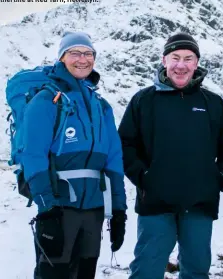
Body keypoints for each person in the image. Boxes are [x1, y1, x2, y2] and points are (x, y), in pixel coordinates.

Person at [118, 32, 223, 279]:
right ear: (164, 60)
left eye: (188, 58)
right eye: (175, 58)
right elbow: (125, 144)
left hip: (199, 204)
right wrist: (143, 177)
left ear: (196, 63)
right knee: (147, 269)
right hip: (155, 202)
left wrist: (218, 178)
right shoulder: (144, 101)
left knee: (197, 270)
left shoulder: (212, 103)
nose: (181, 65)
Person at [21, 31, 128, 279]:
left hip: (94, 210)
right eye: (75, 53)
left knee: (85, 273)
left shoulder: (102, 106)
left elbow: (114, 162)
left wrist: (119, 210)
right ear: (61, 58)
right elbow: (33, 156)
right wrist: (47, 208)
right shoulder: (46, 100)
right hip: (60, 207)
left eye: (88, 53)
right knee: (53, 272)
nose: (82, 59)